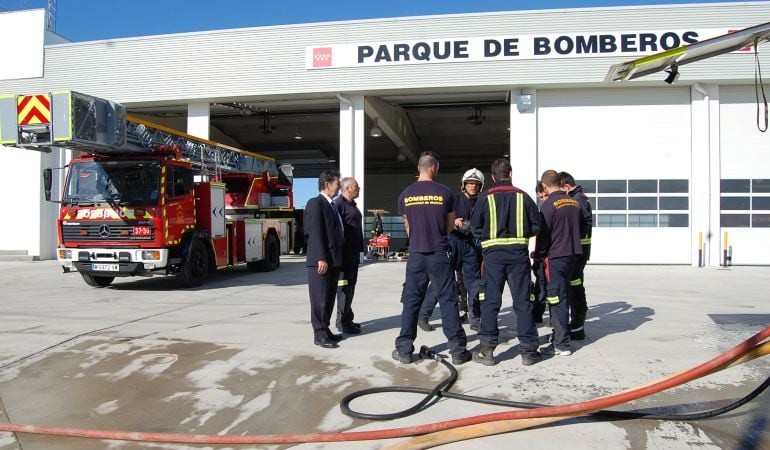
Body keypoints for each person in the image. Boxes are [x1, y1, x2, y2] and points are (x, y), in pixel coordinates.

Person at [393, 151, 470, 365]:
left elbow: (407, 226)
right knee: (448, 301)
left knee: (411, 301)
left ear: (419, 168)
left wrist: (418, 237)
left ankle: (405, 350)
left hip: (416, 254)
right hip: (439, 253)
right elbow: (449, 226)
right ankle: (457, 350)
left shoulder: (406, 194)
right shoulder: (446, 193)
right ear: (434, 168)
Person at [470, 159, 541, 366]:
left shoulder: (485, 198)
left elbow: (475, 229)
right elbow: (536, 227)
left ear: (492, 177)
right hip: (518, 257)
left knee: (491, 303)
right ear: (510, 173)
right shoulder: (524, 197)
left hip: (493, 258)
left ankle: (487, 351)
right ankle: (528, 352)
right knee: (523, 303)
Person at [418, 168, 484, 332]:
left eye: (476, 184)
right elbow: (439, 215)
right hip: (452, 242)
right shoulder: (453, 199)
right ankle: (423, 316)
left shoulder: (483, 202)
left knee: (474, 284)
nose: (473, 186)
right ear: (463, 184)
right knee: (441, 281)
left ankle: (475, 319)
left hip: (471, 245)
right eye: (470, 183)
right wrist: (453, 221)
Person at [535, 170, 588, 357]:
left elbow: (542, 236)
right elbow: (584, 226)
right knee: (565, 295)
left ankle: (561, 344)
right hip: (573, 256)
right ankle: (561, 336)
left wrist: (538, 256)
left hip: (556, 258)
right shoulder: (574, 202)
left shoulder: (549, 206)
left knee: (557, 299)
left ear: (544, 186)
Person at [304, 170, 345, 349]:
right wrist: (321, 257)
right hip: (321, 260)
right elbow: (315, 233)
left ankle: (325, 329)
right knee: (319, 299)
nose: (339, 187)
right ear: (327, 185)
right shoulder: (316, 203)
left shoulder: (331, 205)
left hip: (333, 260)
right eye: (337, 184)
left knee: (328, 298)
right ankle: (319, 333)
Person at [559, 171, 593, 341]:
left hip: (578, 254)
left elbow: (584, 223)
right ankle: (576, 325)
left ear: (566, 186)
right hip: (579, 252)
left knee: (576, 289)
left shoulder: (578, 199)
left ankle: (578, 328)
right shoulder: (579, 197)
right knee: (574, 288)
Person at [334, 177, 364, 334]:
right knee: (344, 288)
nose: (359, 189)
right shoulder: (338, 204)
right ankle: (342, 322)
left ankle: (347, 318)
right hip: (344, 257)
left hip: (353, 255)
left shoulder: (351, 205)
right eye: (356, 186)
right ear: (346, 189)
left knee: (351, 286)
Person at [531, 182, 548, 324]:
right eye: (540, 197)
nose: (543, 199)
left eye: (545, 195)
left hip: (553, 256)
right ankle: (537, 314)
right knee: (540, 286)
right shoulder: (541, 211)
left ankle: (555, 317)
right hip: (541, 256)